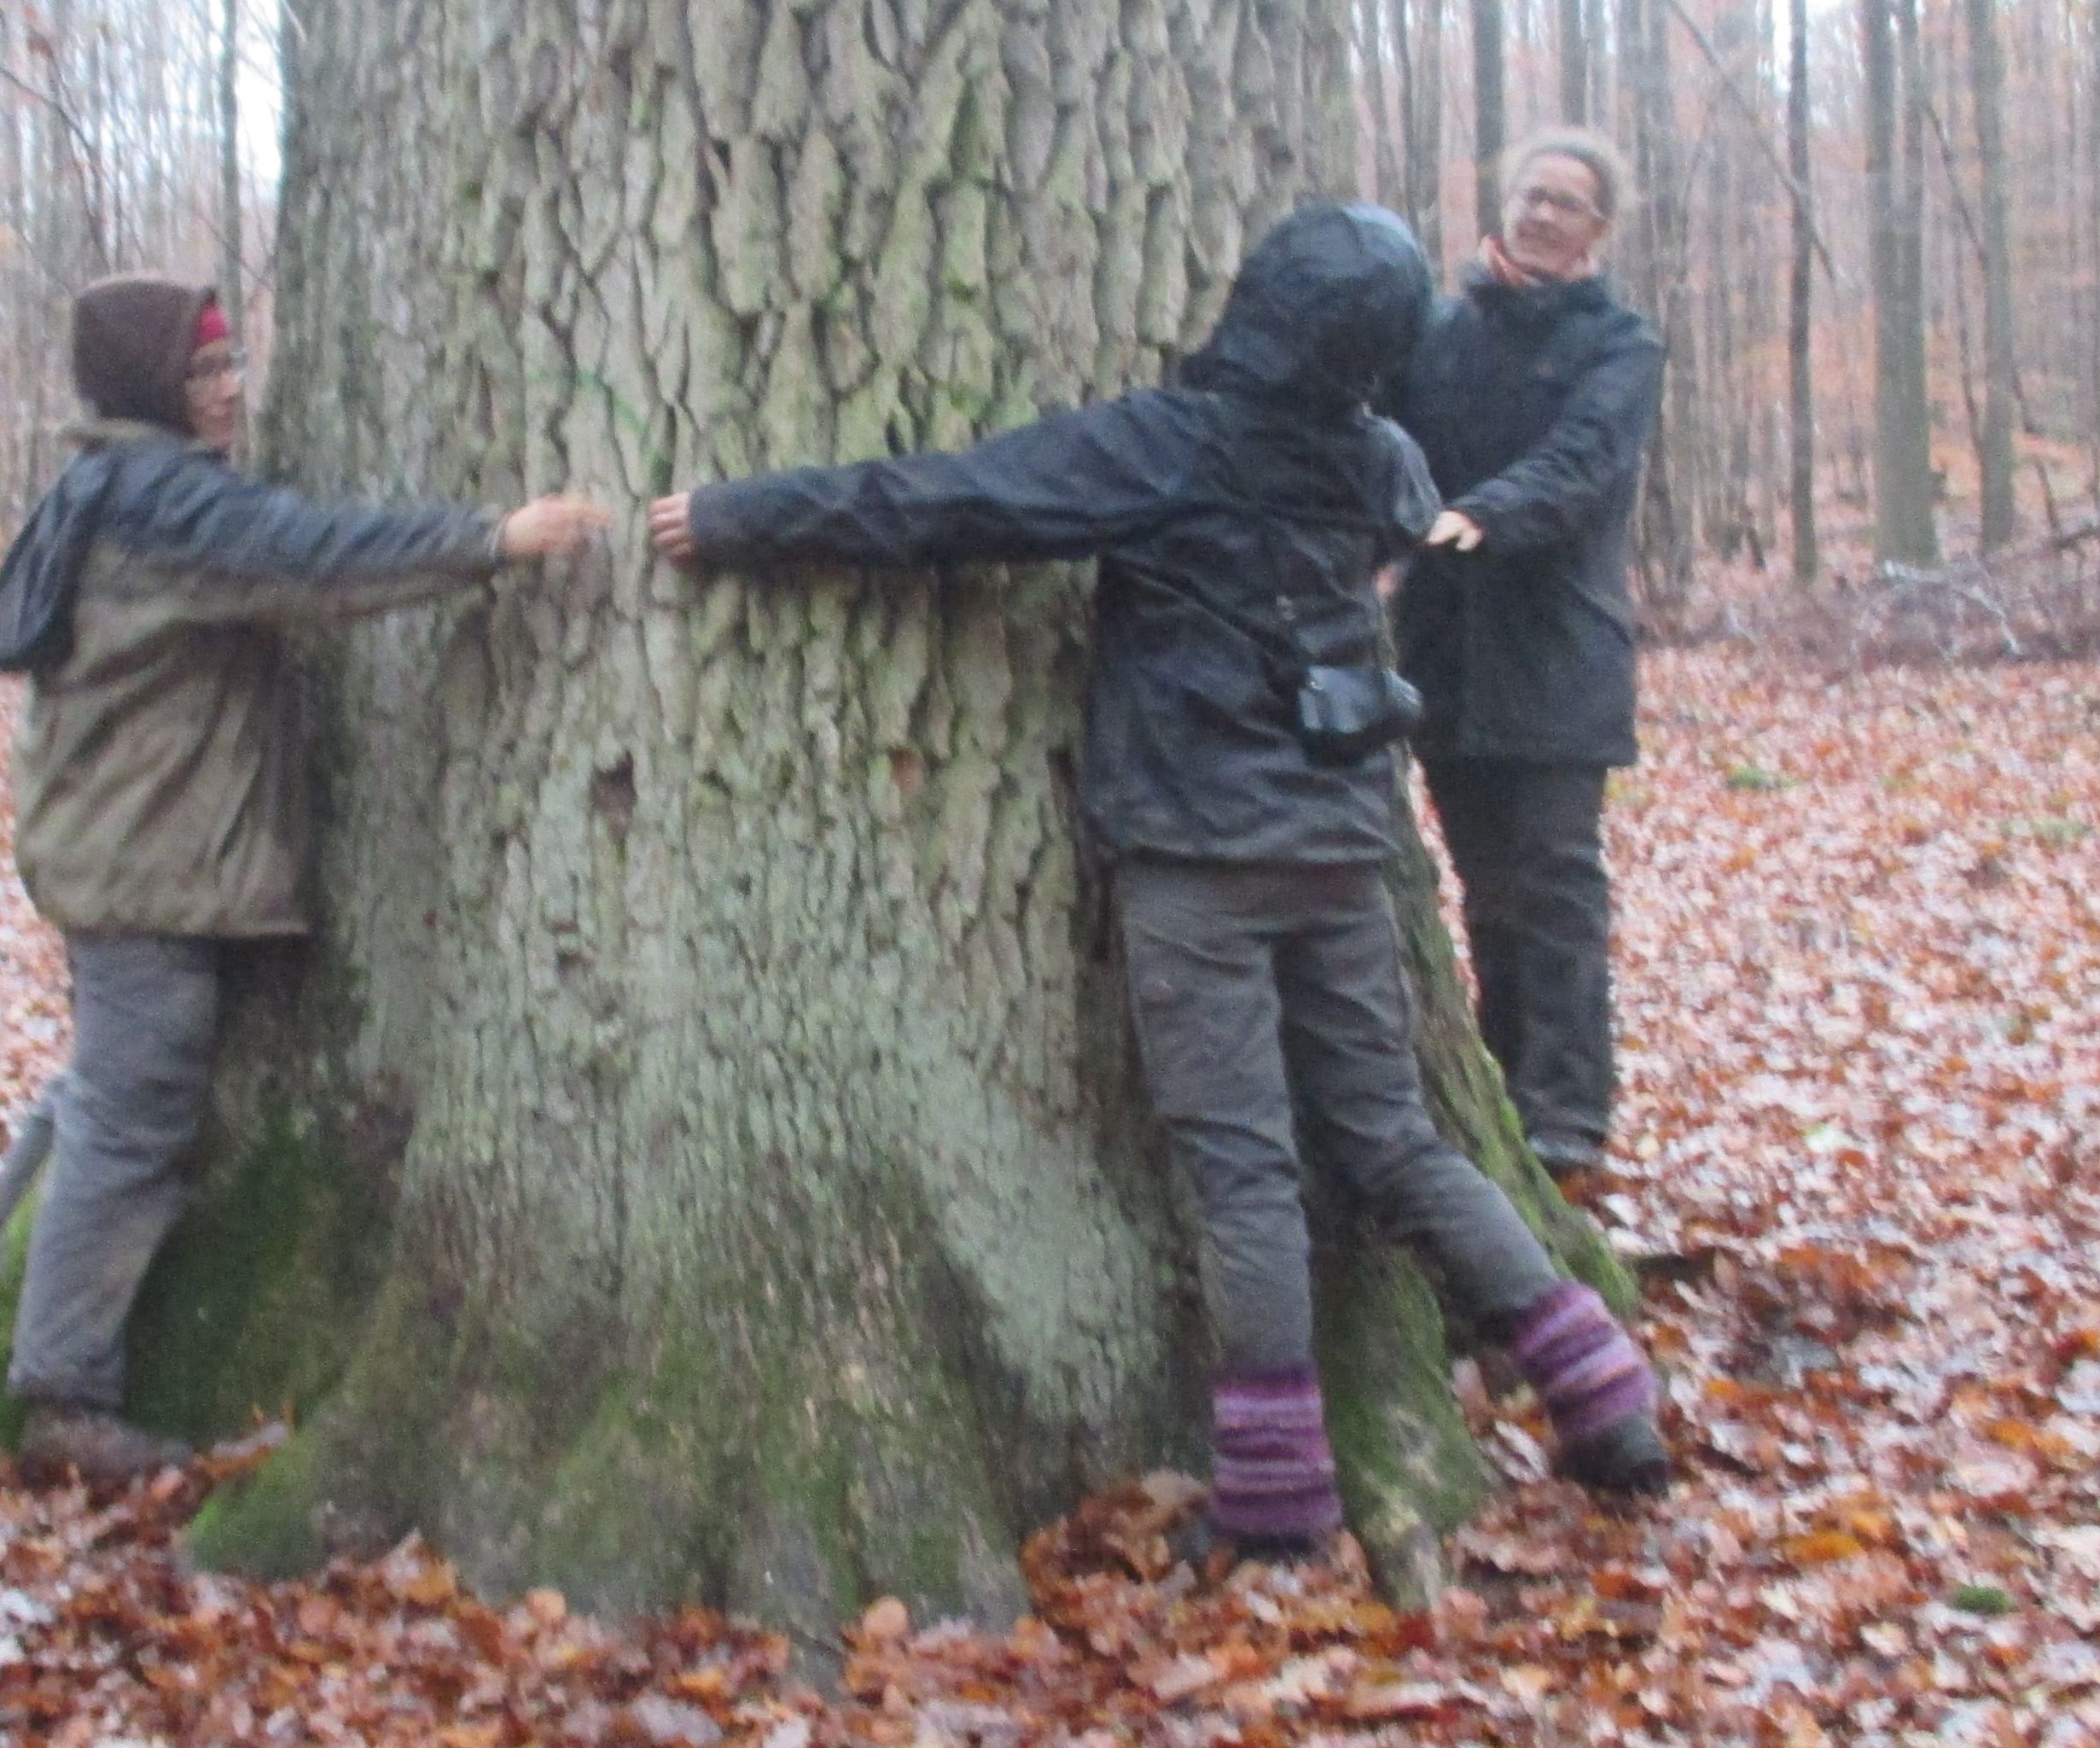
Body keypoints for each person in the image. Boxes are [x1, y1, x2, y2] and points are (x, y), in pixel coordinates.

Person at [647, 205, 1667, 1553]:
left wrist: (739, 515)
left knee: (1245, 1175)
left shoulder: (1166, 447)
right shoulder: (1383, 459)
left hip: (1199, 853)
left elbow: (951, 501)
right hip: (1340, 848)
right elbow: (1402, 520)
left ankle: (1280, 1501)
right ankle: (1606, 1398)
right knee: (1393, 1144)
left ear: (1259, 305)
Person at [0, 273, 608, 1477]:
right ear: (151, 389)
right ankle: (60, 1396)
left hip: (125, 852)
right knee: (129, 1112)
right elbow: (318, 559)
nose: (228, 391)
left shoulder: (115, 486)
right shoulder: (163, 502)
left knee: (97, 1099)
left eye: (230, 367)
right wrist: (490, 539)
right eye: (203, 373)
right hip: (138, 866)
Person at [1381, 131, 1666, 1192]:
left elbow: (1585, 464)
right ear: (1505, 203)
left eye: (1570, 203)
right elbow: (1383, 440)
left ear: (1600, 228)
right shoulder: (1442, 335)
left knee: (1555, 887)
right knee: (1484, 888)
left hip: (1557, 659)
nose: (1545, 215)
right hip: (1445, 657)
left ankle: (1569, 1116)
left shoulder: (1621, 344)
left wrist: (1475, 517)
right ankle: (1503, 1093)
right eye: (1533, 195)